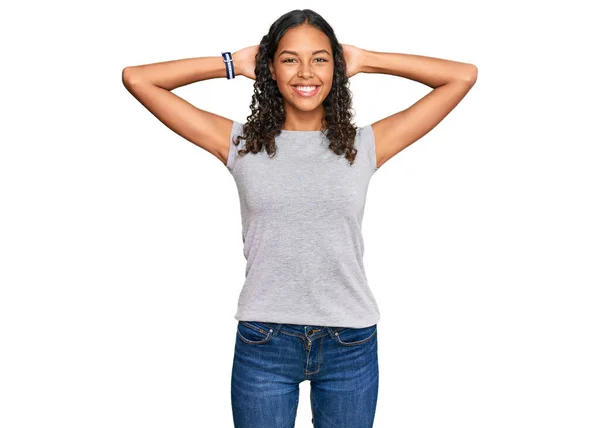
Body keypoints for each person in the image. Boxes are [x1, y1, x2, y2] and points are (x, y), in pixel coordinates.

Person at [122, 8, 477, 428]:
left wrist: (364, 58)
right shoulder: (239, 144)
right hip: (265, 342)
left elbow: (462, 76)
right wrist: (233, 63)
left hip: (350, 340)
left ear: (337, 68)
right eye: (290, 58)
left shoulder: (363, 146)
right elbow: (137, 78)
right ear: (269, 68)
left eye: (321, 59)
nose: (305, 72)